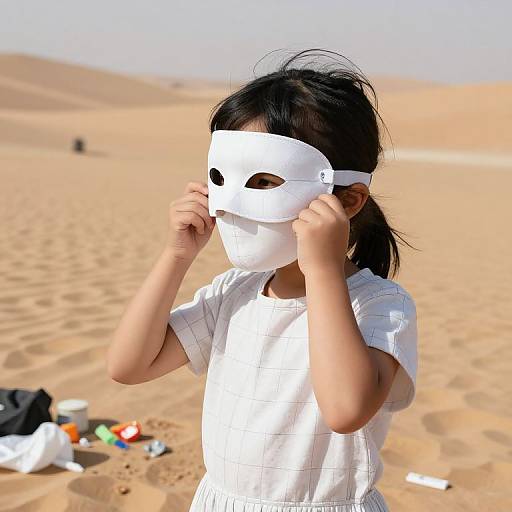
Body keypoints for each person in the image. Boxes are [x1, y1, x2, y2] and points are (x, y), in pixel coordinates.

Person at [107, 48, 418, 512]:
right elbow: (129, 365)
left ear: (348, 200)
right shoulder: (234, 292)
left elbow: (346, 409)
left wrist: (324, 271)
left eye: (264, 182)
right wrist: (176, 256)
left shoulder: (378, 306)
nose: (231, 204)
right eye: (220, 178)